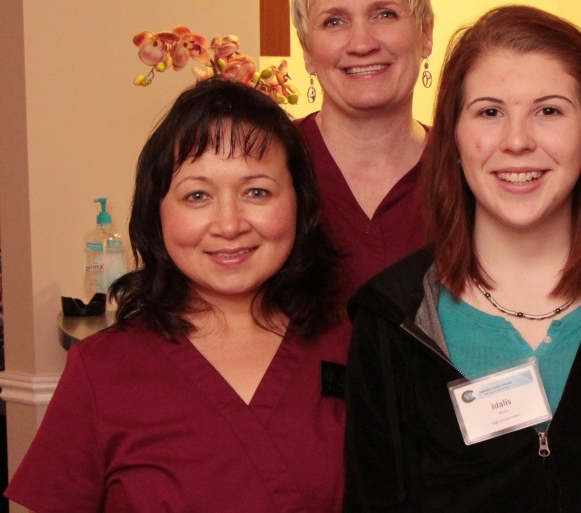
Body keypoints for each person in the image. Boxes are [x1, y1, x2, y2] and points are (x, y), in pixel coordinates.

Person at [344, 5, 581, 511]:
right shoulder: (392, 317)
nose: (517, 141)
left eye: (549, 111)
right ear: (453, 136)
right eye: (490, 112)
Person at [6, 79, 348, 512]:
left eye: (257, 191)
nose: (229, 224)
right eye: (197, 195)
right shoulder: (100, 370)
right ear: (157, 211)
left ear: (299, 203)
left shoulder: (350, 347)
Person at [291, 0, 434, 303]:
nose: (362, 43)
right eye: (334, 21)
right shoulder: (270, 165)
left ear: (426, 33)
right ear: (307, 49)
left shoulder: (469, 168)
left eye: (385, 14)